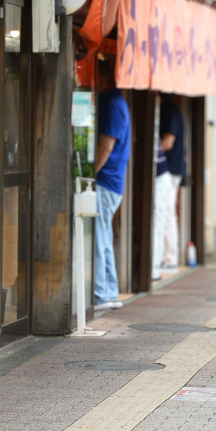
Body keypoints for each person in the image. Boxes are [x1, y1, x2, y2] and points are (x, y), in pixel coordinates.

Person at [93, 62, 131, 311]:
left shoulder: (111, 105)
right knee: (102, 236)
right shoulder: (118, 102)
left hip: (105, 182)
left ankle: (102, 293)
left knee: (99, 237)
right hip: (113, 182)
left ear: (103, 80)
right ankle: (107, 292)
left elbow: (106, 147)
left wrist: (89, 174)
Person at [153, 97, 185, 277]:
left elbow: (168, 142)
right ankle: (168, 257)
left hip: (169, 169)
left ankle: (169, 258)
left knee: (166, 213)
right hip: (172, 168)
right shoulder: (172, 109)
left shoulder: (170, 110)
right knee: (167, 213)